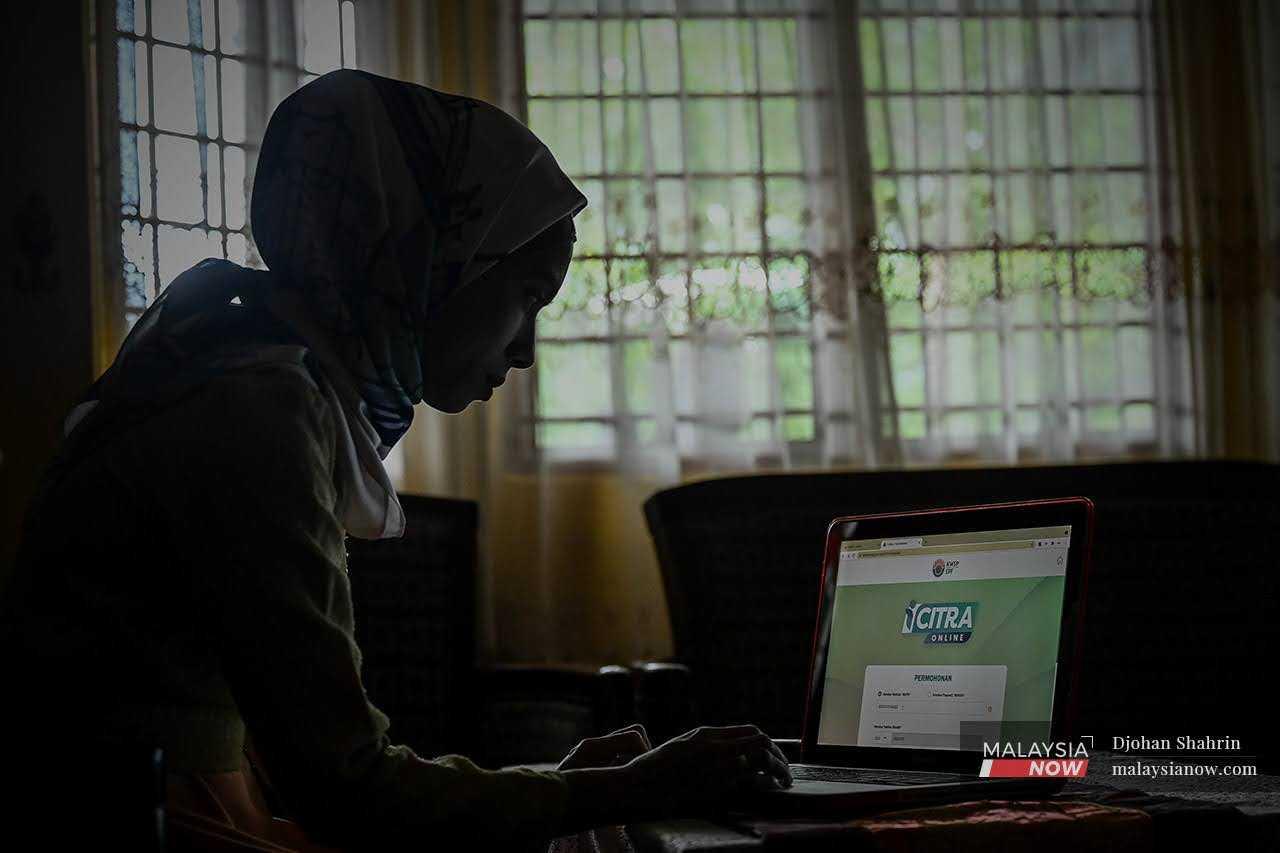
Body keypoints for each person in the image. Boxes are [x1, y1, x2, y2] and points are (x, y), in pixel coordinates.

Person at [0, 69, 790, 851]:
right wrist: (622, 787)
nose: (526, 351)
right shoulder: (255, 415)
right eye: (527, 297)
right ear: (433, 257)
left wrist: (561, 786)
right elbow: (348, 790)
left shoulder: (241, 369)